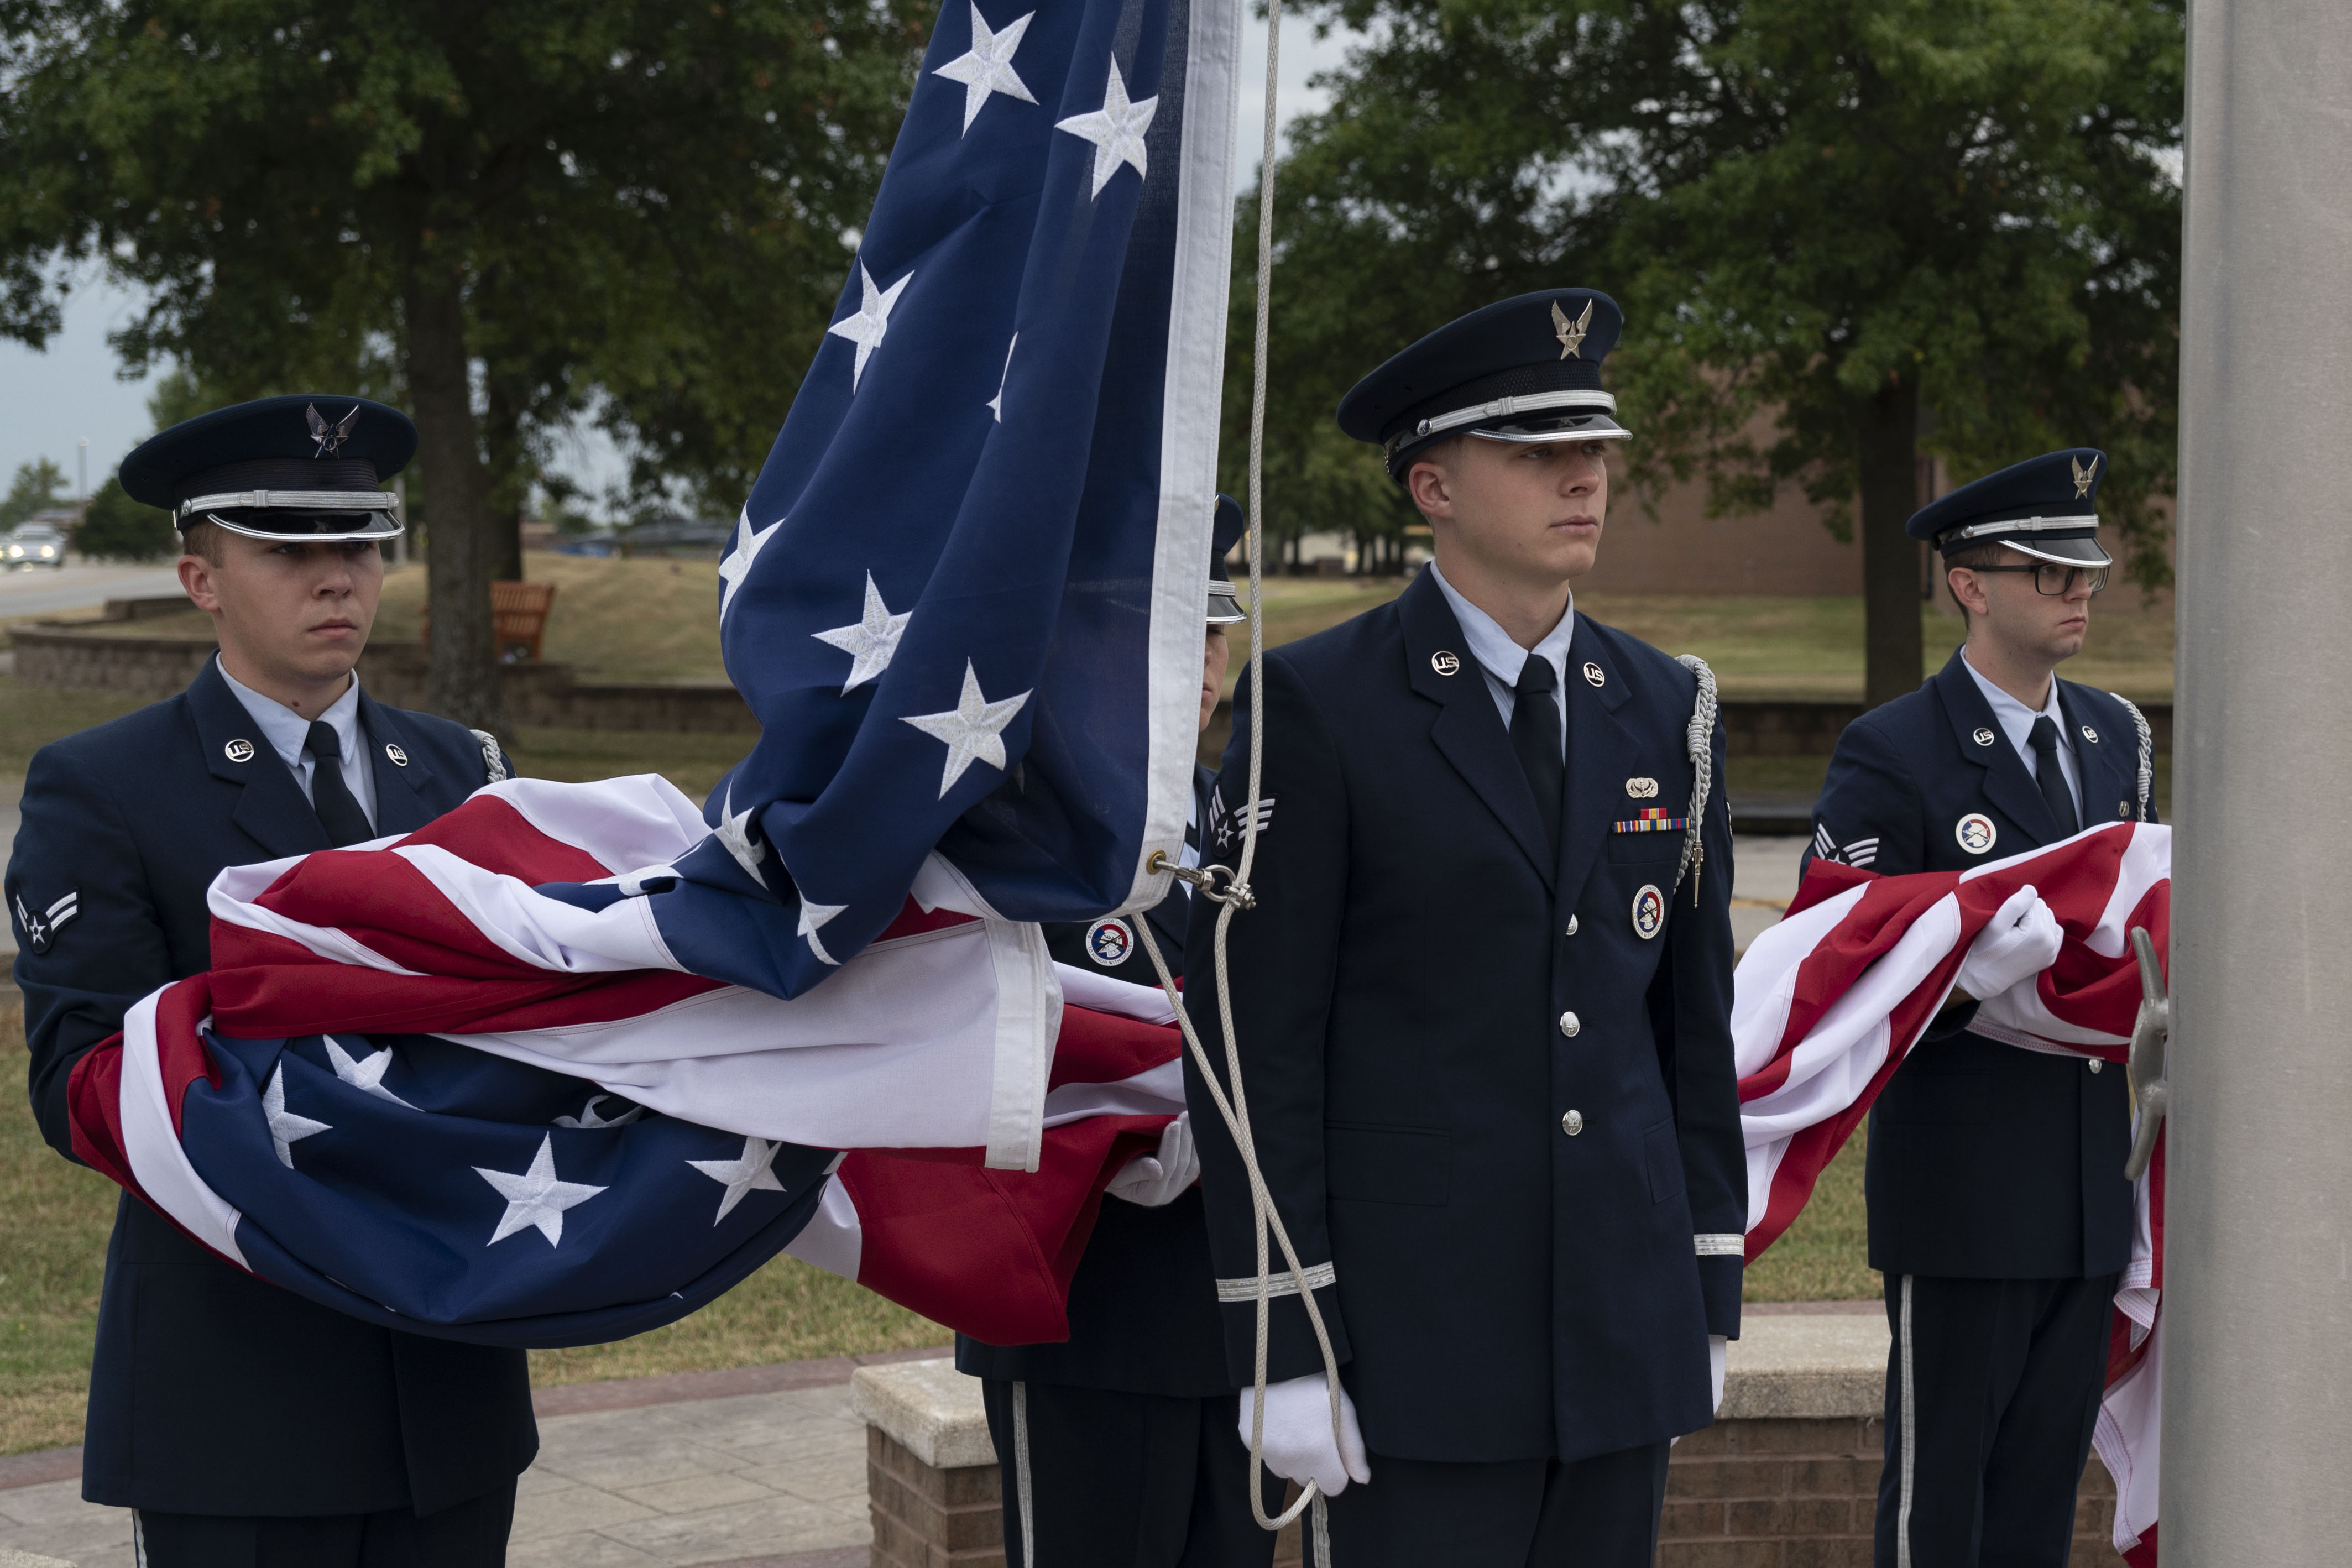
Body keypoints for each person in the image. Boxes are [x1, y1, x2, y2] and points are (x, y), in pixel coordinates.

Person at [1182, 290, 1744, 1566]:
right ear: (1432, 483)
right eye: (1538, 452)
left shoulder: (1666, 705)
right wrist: (1283, 1338)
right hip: (1410, 1344)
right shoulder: (1317, 704)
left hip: (1616, 1329)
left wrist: (1705, 1283)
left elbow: (1687, 1034)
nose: (1583, 477)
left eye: (1593, 448)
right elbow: (1255, 1045)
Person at [5, 395, 539, 1566]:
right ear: (201, 576)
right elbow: (82, 1080)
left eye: (356, 546)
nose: (336, 578)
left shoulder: (464, 774)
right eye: (291, 551)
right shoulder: (105, 787)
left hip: (447, 1374)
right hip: (237, 1388)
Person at [1805, 450, 2152, 1568]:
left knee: (2041, 1499)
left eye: (2084, 568)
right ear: (1971, 584)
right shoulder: (1896, 751)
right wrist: (1957, 971)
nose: (2078, 589)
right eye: (2048, 569)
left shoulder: (2115, 738)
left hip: (2091, 1187)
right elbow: (1837, 950)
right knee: (1940, 1503)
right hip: (1964, 1191)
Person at [956, 495, 1287, 1566]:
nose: (1196, 664)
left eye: (1212, 634)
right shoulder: (1009, 834)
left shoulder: (1252, 833)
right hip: (1084, 1324)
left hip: (1241, 1320)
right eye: (1160, 632)